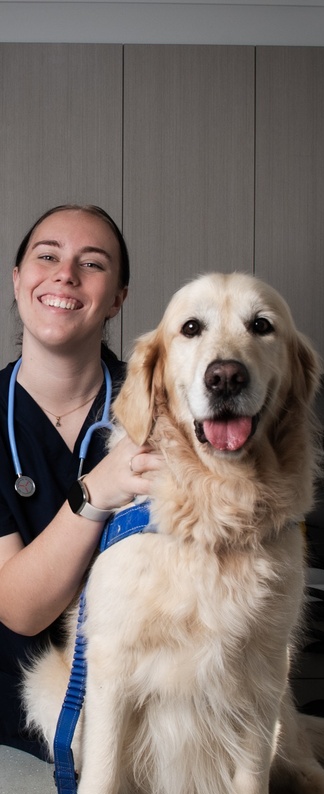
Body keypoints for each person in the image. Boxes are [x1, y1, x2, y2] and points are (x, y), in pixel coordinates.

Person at [0, 204, 161, 758]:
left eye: (91, 264)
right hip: (18, 736)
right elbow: (19, 607)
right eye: (47, 256)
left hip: (148, 728)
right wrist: (98, 491)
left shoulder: (161, 412)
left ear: (117, 296)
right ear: (18, 278)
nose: (65, 274)